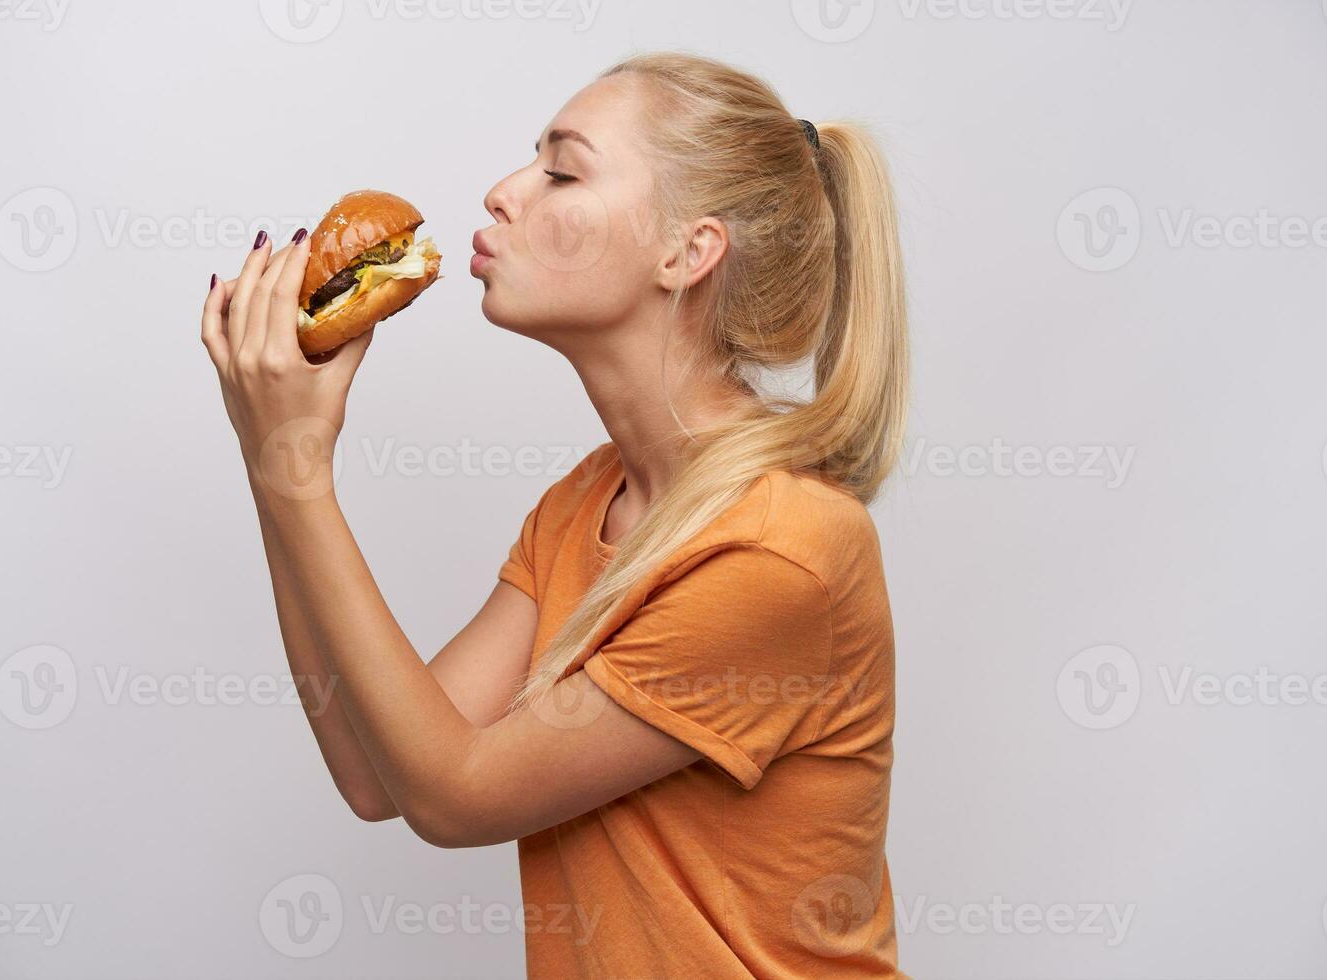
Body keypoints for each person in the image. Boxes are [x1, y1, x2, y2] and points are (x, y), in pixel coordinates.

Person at [201, 50, 909, 979]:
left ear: (686, 253)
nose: (501, 193)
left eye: (562, 171)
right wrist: (274, 460)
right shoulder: (590, 500)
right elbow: (380, 775)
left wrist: (298, 477)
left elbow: (456, 797)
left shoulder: (783, 551)